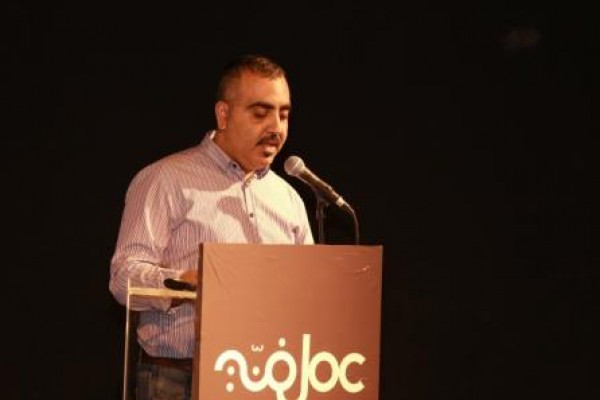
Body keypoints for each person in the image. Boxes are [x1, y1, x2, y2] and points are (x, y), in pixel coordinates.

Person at [109, 54, 314, 400]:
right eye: (260, 113)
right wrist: (185, 283)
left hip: (268, 379)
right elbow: (122, 277)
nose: (276, 128)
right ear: (223, 114)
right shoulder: (166, 180)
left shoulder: (289, 199)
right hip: (179, 380)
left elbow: (309, 291)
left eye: (284, 114)